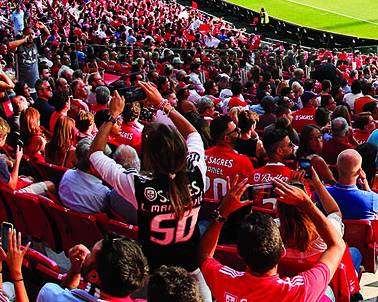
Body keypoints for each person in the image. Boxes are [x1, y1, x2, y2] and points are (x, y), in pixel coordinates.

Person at [89, 83, 207, 284]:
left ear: (148, 157)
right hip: (191, 268)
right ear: (182, 150)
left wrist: (112, 115)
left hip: (154, 273)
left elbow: (95, 154)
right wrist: (163, 104)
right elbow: (194, 134)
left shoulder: (138, 185)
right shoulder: (197, 173)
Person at [196, 177, 346, 302]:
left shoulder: (225, 281)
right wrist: (305, 203)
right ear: (282, 252)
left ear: (240, 254)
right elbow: (336, 245)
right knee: (326, 291)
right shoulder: (301, 289)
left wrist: (222, 211)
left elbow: (203, 255)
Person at [36, 234, 149, 302]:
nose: (86, 254)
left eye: (91, 253)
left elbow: (64, 295)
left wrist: (74, 273)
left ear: (93, 276)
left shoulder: (49, 294)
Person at [325, 149, 378, 246]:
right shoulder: (373, 198)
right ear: (360, 171)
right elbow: (376, 217)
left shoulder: (322, 194)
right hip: (364, 247)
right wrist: (366, 185)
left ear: (336, 167)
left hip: (334, 242)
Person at [0, 116, 57, 197]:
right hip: (9, 196)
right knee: (51, 185)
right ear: (0, 139)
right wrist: (18, 159)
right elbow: (12, 186)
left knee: (31, 179)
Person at [204, 115, 255, 201]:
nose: (239, 131)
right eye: (235, 130)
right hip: (229, 212)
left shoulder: (202, 156)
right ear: (226, 138)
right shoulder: (243, 162)